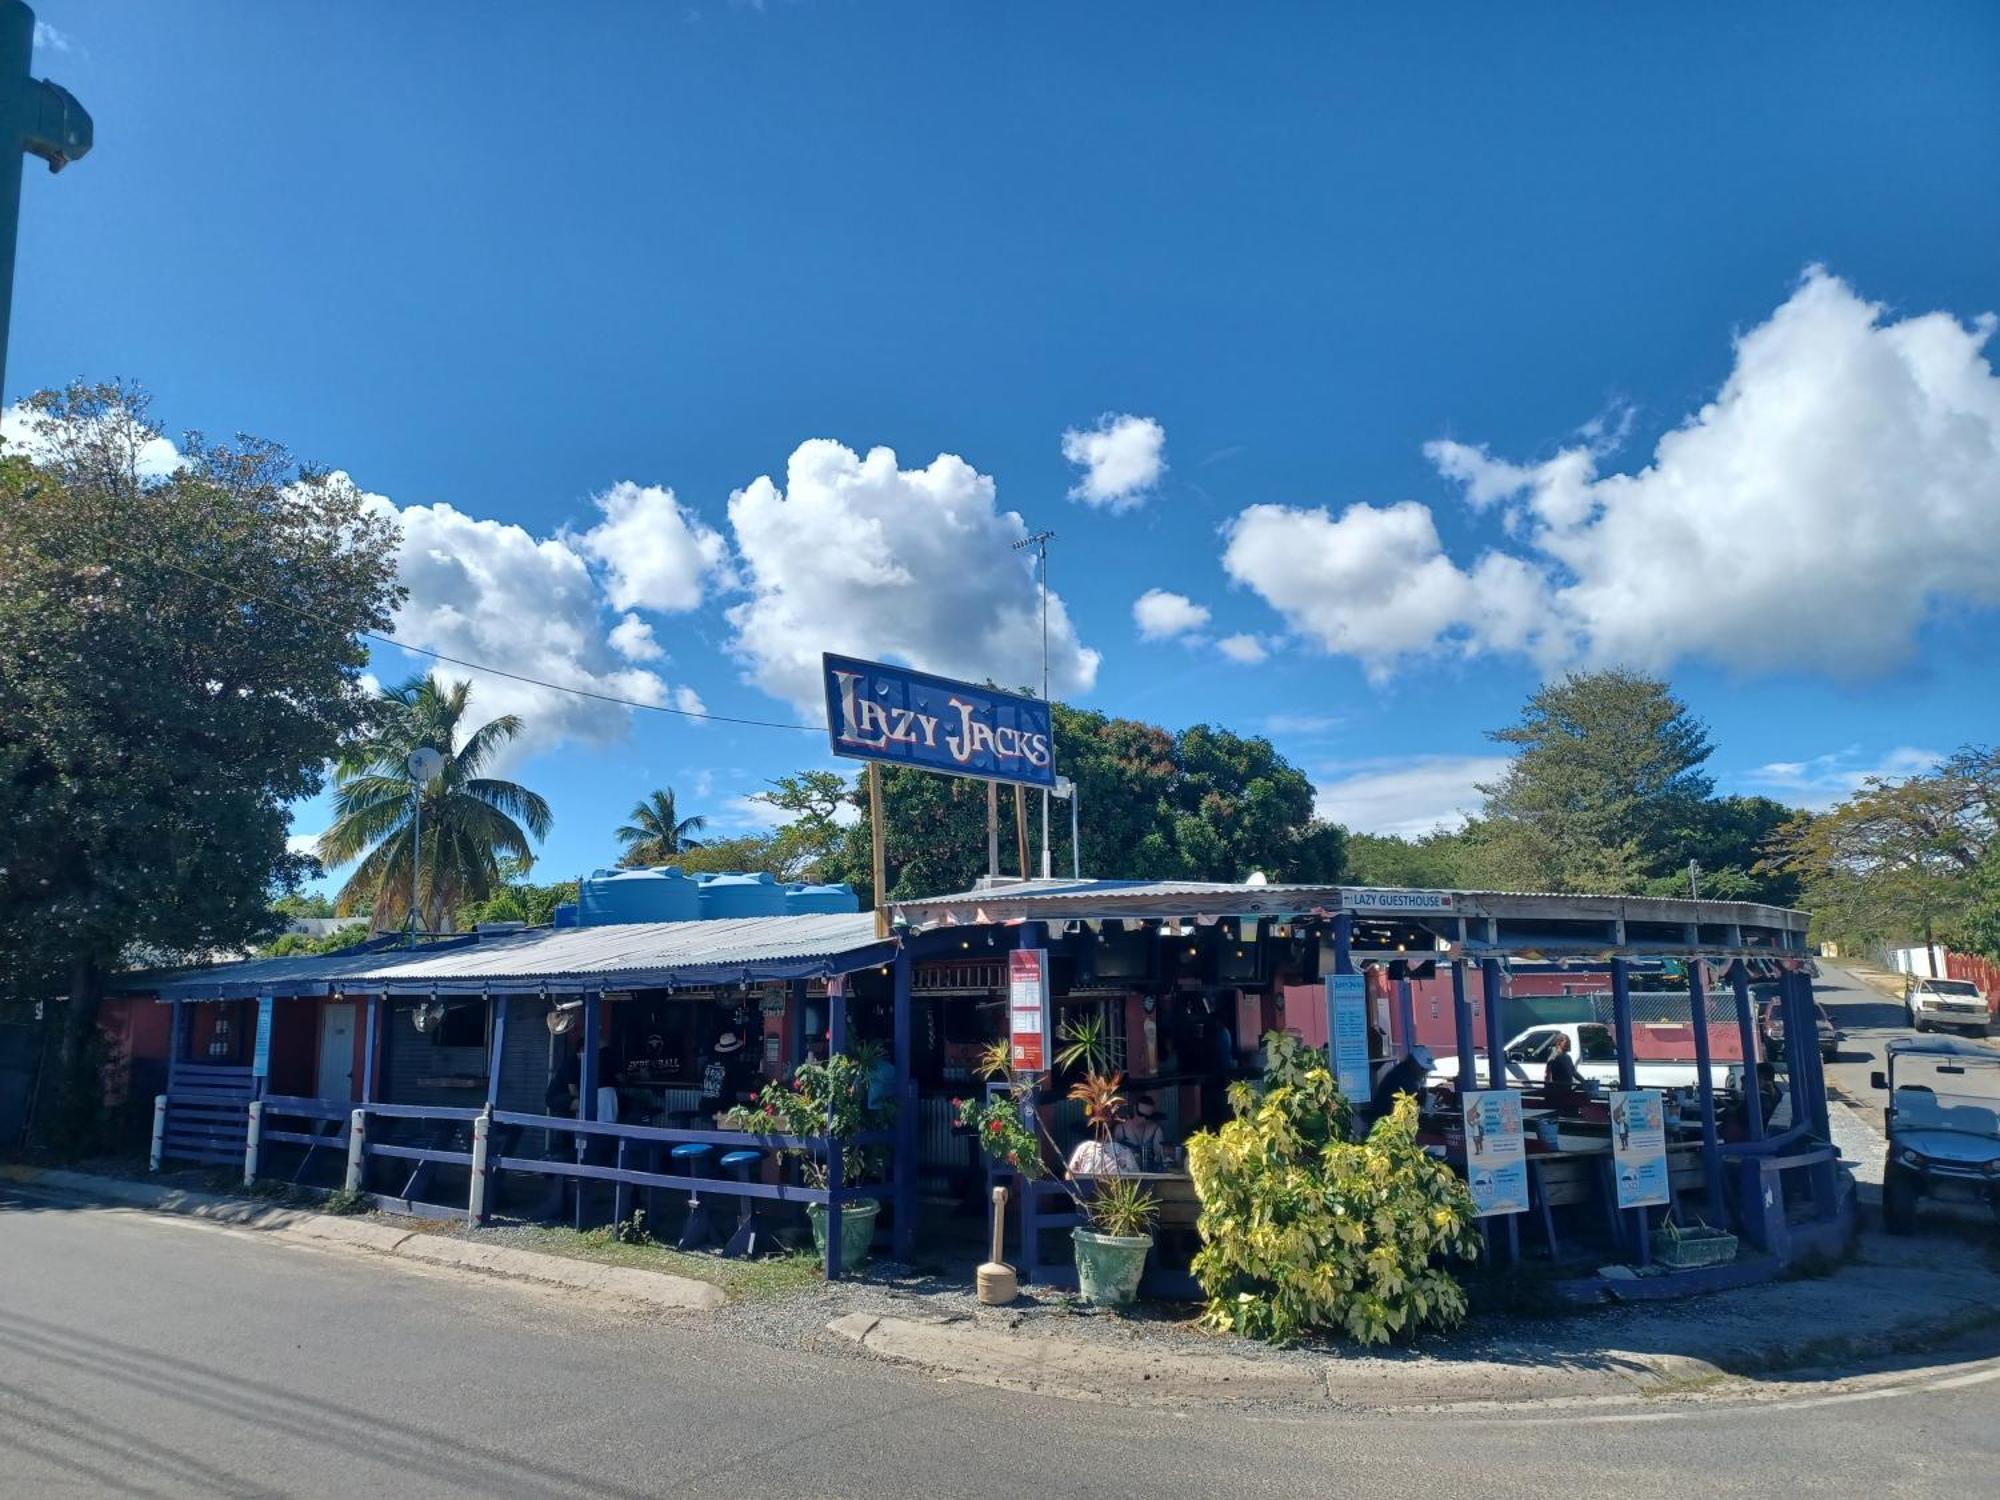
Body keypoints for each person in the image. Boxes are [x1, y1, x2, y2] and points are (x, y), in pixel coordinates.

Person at [1370, 1044, 1435, 1114]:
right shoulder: (1404, 1078)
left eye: (1427, 1070)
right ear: (1413, 1063)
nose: (1425, 1073)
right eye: (1423, 1069)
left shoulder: (1403, 1071)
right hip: (1386, 1119)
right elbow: (1411, 1107)